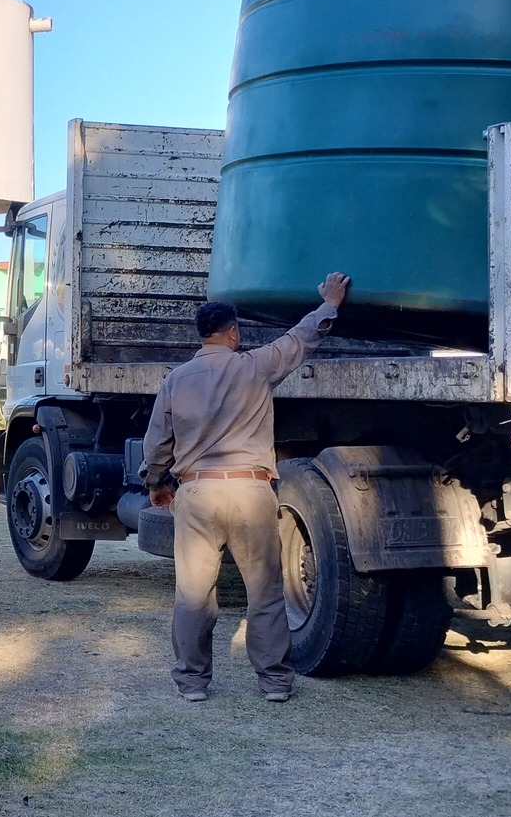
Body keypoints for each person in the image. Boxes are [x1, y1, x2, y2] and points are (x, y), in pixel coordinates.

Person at [140, 273, 350, 704]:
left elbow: (157, 443)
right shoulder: (256, 367)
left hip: (197, 493)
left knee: (193, 594)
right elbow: (299, 339)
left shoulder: (175, 380)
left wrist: (158, 484)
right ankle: (273, 682)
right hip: (252, 491)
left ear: (202, 336)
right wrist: (330, 303)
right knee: (265, 593)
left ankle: (193, 682)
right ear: (233, 332)